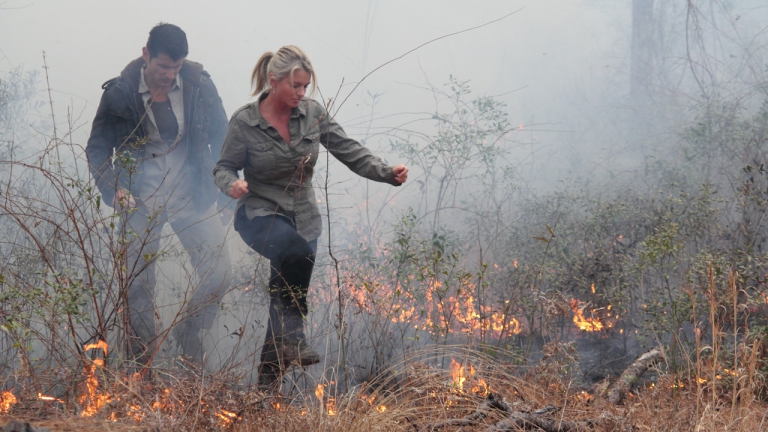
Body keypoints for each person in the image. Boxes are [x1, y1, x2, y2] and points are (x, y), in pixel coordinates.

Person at [214, 45, 408, 385]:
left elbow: (348, 149)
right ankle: (296, 338)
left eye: (305, 86)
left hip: (304, 219)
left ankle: (265, 391)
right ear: (274, 82)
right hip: (260, 214)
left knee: (281, 302)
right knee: (297, 253)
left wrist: (386, 172)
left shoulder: (313, 113)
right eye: (295, 86)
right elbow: (223, 167)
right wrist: (231, 185)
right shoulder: (245, 122)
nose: (301, 93)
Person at [86, 23, 232, 370]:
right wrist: (113, 188)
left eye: (176, 68)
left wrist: (226, 190)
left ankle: (189, 339)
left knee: (220, 272)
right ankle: (142, 369)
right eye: (163, 66)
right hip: (139, 202)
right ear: (146, 54)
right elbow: (96, 147)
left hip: (191, 198)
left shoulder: (199, 86)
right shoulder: (119, 93)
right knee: (137, 287)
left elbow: (224, 137)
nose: (169, 75)